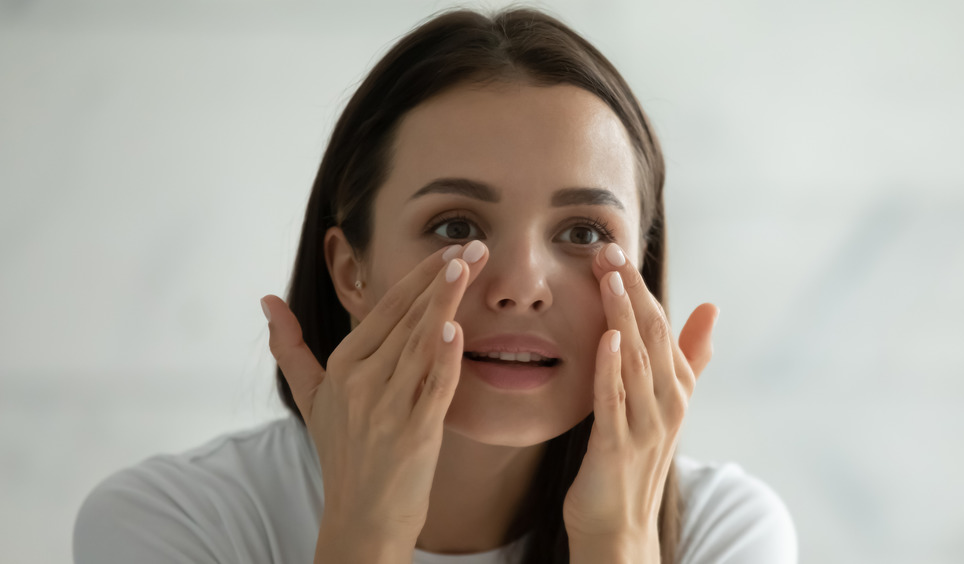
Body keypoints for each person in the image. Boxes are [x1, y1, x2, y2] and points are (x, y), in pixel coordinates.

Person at [73, 6, 798, 564]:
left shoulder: (724, 532)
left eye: (583, 233)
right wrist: (368, 532)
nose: (521, 287)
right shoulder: (170, 523)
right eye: (456, 227)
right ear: (350, 270)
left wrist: (616, 541)